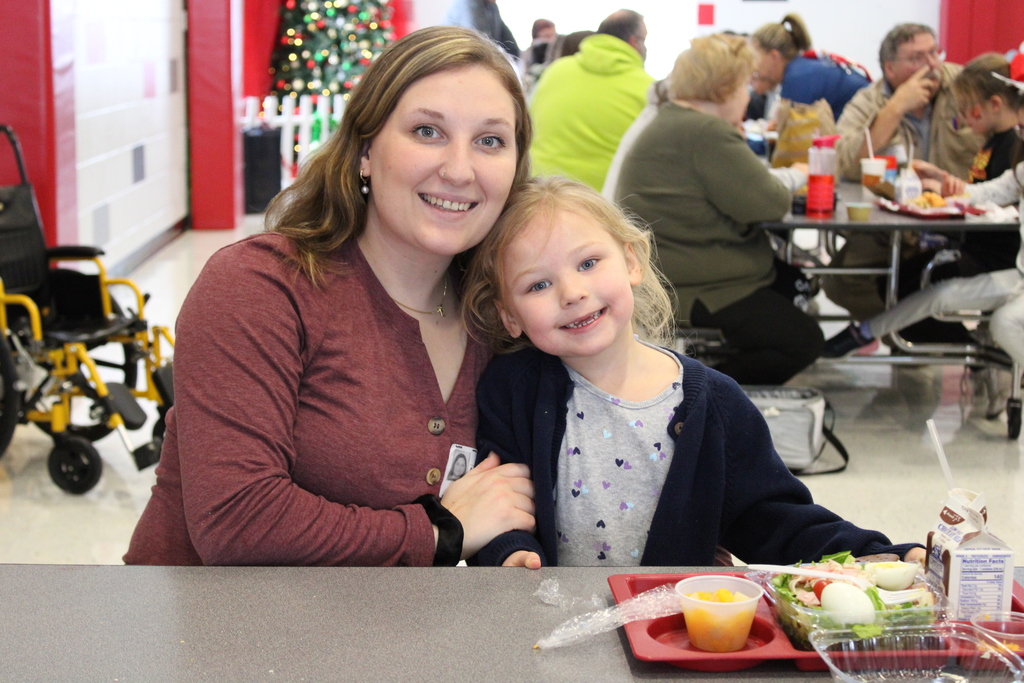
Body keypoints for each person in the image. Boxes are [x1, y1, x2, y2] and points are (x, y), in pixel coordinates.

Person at [123, 27, 536, 566]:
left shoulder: (499, 312)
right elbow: (236, 520)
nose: (459, 170)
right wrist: (441, 532)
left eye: (489, 141)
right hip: (205, 637)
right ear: (366, 151)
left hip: (382, 637)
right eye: (427, 131)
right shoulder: (260, 286)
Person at [460, 176, 924, 568]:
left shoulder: (714, 402)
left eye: (588, 263)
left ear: (631, 261)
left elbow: (774, 519)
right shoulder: (510, 390)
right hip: (552, 633)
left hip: (675, 641)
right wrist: (510, 553)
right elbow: (500, 508)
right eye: (538, 284)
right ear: (509, 317)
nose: (572, 292)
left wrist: (879, 557)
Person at [613, 34, 821, 386]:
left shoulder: (675, 120)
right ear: (724, 89)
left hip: (672, 268)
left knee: (794, 282)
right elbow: (770, 201)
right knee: (803, 340)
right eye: (745, 84)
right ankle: (708, 393)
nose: (749, 94)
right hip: (696, 285)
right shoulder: (705, 132)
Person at [822, 69, 1024, 416]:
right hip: (1016, 274)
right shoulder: (1017, 163)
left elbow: (1000, 205)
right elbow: (993, 191)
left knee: (1001, 320)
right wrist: (945, 184)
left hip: (1001, 260)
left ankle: (1000, 370)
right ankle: (864, 332)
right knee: (939, 294)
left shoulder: (1007, 145)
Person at [825, 24, 984, 325]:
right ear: (890, 68)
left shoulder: (963, 86)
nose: (931, 65)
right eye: (917, 58)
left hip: (965, 220)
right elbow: (844, 163)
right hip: (893, 225)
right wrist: (895, 108)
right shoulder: (870, 100)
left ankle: (918, 333)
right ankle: (908, 333)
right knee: (841, 280)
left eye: (934, 53)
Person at [529, 9, 653, 190]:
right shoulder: (649, 90)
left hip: (537, 195)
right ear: (634, 42)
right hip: (601, 208)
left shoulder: (556, 71)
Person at [750, 14, 871, 120]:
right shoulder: (800, 68)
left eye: (755, 59)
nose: (753, 67)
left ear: (773, 56)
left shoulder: (796, 78)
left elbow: (792, 138)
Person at [443, 0, 519, 58]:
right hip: (453, 59)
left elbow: (510, 45)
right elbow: (479, 43)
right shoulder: (469, 3)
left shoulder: (492, 7)